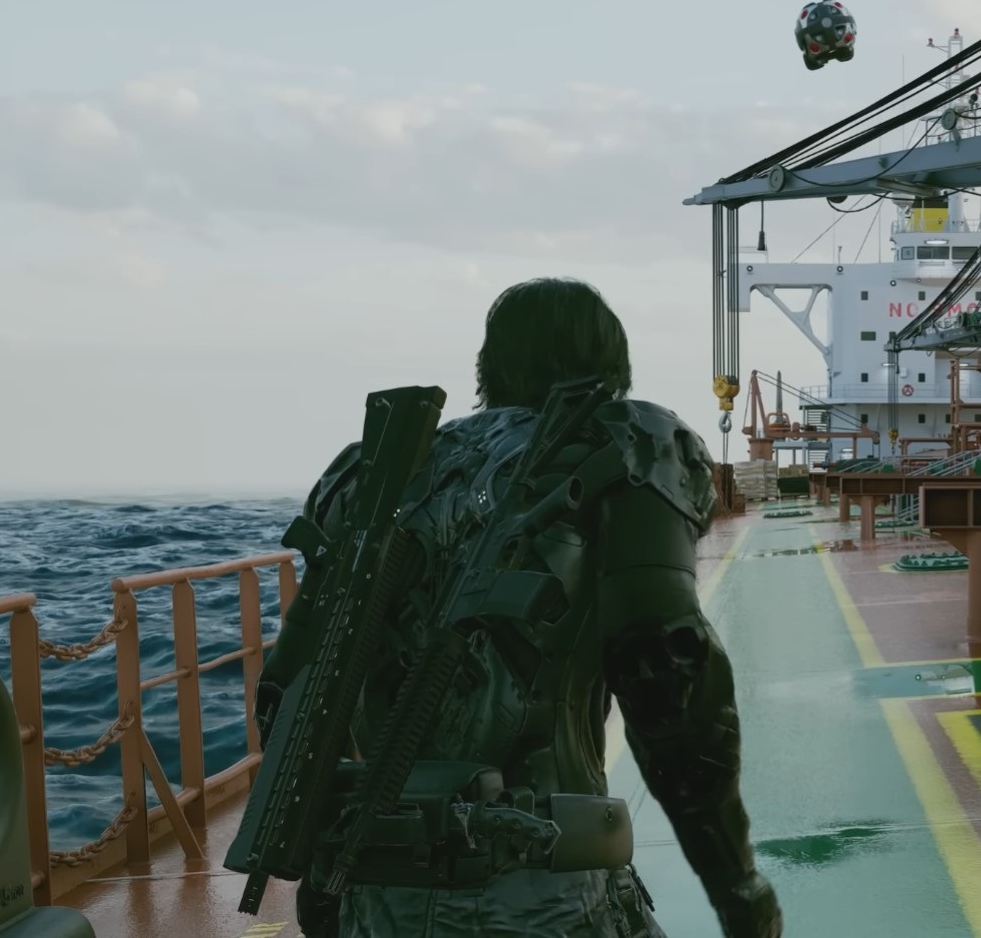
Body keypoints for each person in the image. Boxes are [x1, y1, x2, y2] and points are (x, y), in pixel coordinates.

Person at [256, 277, 783, 937]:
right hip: (548, 889)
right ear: (613, 367)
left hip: (377, 887)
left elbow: (290, 692)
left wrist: (321, 866)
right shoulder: (626, 445)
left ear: (490, 367)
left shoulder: (375, 471)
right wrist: (737, 884)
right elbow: (668, 675)